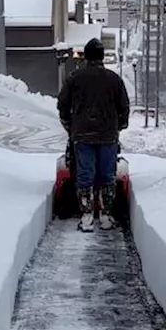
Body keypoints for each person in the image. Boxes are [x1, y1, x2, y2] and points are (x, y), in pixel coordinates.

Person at [57, 37, 130, 231]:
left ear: (86, 56)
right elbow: (124, 107)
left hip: (82, 136)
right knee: (107, 175)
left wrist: (70, 126)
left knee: (84, 175)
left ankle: (87, 216)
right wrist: (119, 126)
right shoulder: (114, 79)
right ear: (102, 57)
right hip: (108, 136)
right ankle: (106, 216)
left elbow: (62, 105)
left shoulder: (74, 78)